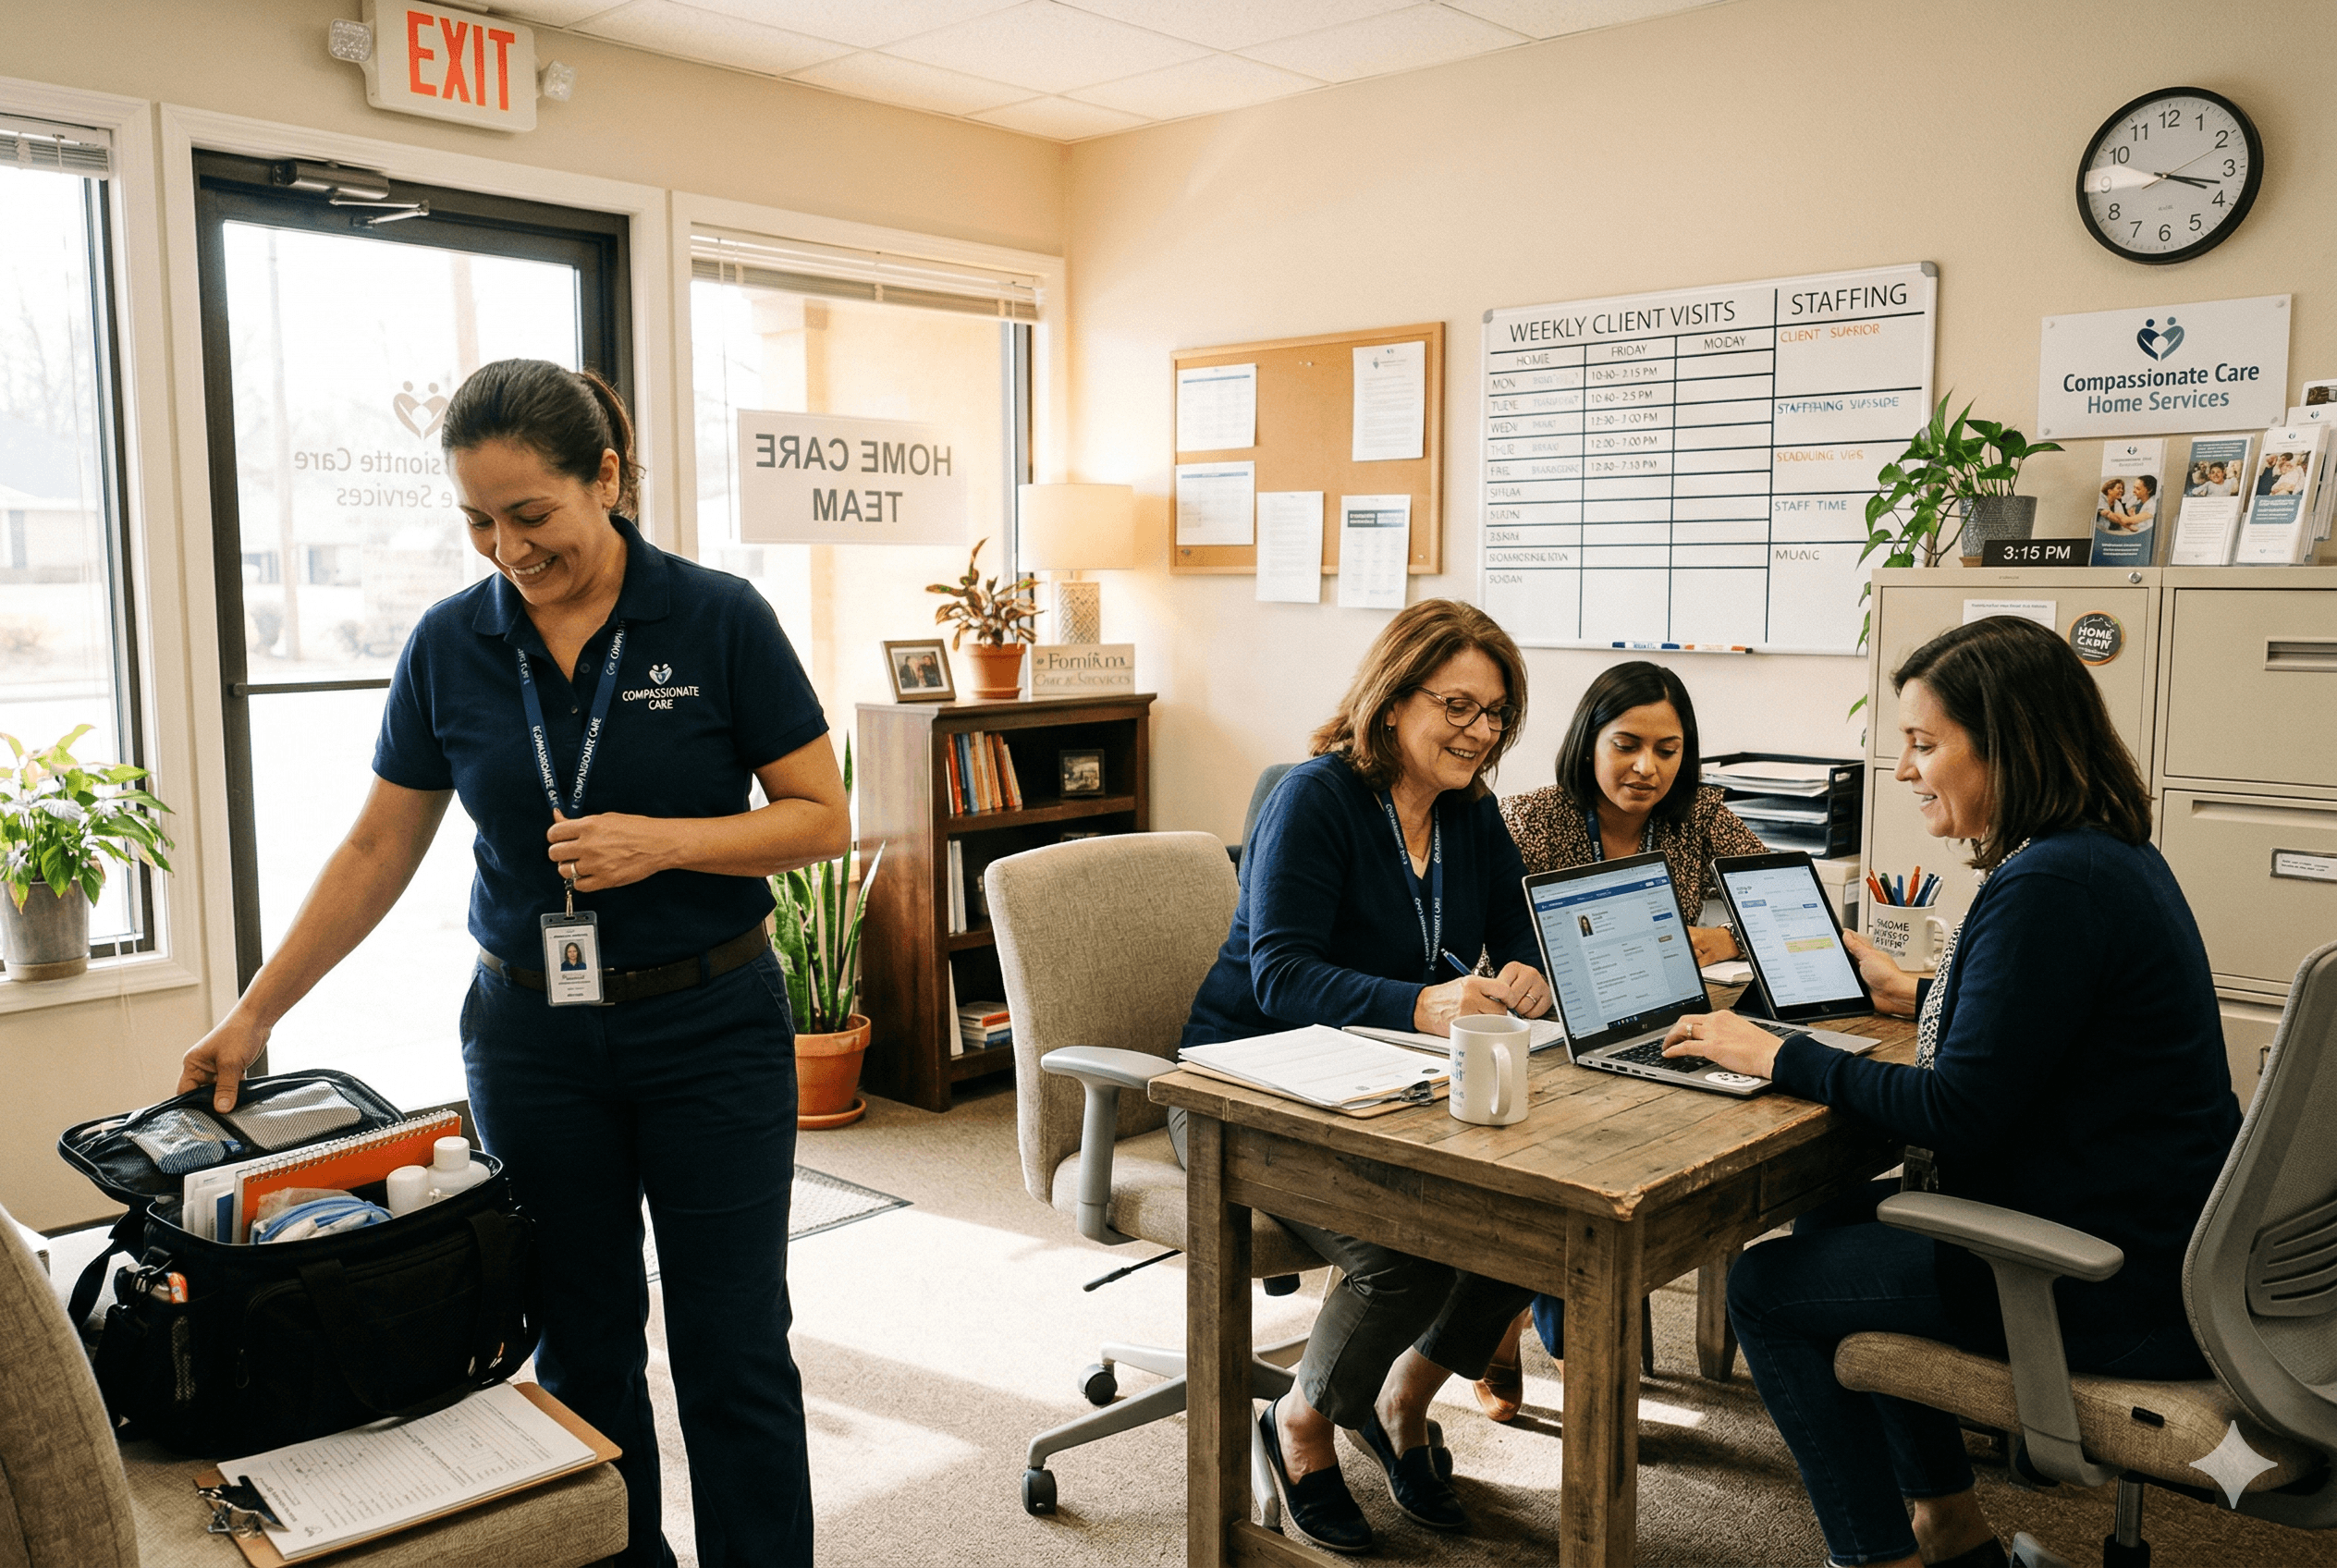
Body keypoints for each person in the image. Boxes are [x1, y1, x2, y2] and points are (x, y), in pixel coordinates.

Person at [177, 360, 849, 1568]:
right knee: (581, 1342)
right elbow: (378, 845)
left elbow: (819, 814)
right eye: (479, 522)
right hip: (533, 1043)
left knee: (731, 1341)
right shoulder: (451, 645)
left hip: (712, 1030)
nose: (507, 549)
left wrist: (669, 845)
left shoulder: (717, 616)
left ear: (605, 479)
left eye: (530, 515)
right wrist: (253, 1014)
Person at [1656, 615, 2239, 1568]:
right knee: (1830, 1219)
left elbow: (1956, 1109)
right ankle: (1946, 1526)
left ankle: (1881, 1552)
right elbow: (2046, 1028)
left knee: (1763, 1287)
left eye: (1924, 744)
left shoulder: (2047, 883)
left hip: (2099, 1282)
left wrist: (1773, 1052)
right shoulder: (2100, 855)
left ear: (2004, 744)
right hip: (2147, 1239)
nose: (1901, 770)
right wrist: (1919, 993)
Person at [1180, 597, 1554, 1554]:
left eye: (1495, 713)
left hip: (1386, 1086)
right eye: (1456, 705)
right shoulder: (1314, 798)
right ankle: (1300, 1421)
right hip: (1243, 1088)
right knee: (1411, 1254)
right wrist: (1423, 1004)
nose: (1479, 732)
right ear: (1391, 701)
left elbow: (1517, 936)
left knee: (1535, 1222)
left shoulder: (1470, 816)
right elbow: (1282, 972)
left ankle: (1400, 1394)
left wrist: (1527, 974)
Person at [1472, 660, 1768, 1420]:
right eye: (1627, 744)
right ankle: (1524, 1341)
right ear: (1589, 739)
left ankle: (1552, 1342)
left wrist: (1717, 932)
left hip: (1647, 1028)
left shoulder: (1698, 814)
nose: (1647, 768)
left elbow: (1775, 896)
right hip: (1539, 1034)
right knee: (1568, 1178)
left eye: (1667, 750)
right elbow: (1486, 948)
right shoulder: (1528, 816)